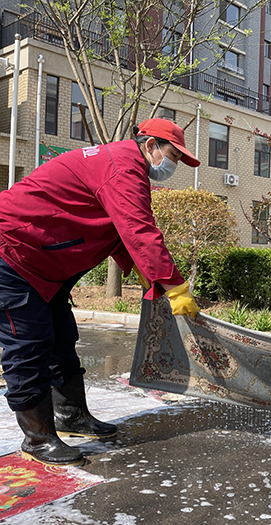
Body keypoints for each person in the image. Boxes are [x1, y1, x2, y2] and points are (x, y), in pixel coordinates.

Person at [0, 118, 200, 466]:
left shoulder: (123, 164)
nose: (174, 166)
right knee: (28, 345)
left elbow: (115, 229)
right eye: (174, 156)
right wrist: (174, 285)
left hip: (46, 264)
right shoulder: (121, 167)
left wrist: (141, 268)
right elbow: (138, 229)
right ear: (150, 144)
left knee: (61, 338)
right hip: (13, 254)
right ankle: (37, 438)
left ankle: (71, 416)